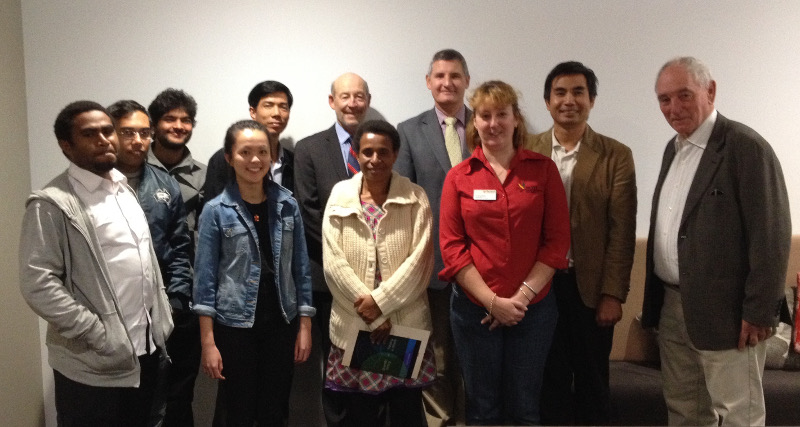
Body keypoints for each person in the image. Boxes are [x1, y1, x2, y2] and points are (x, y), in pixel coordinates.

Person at [641, 57, 791, 426]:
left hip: (730, 314)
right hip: (673, 308)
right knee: (685, 412)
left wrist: (758, 312)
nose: (673, 108)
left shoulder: (746, 147)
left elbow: (771, 237)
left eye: (684, 95)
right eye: (664, 99)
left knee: (739, 415)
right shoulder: (672, 149)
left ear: (710, 91)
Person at [19, 101, 174, 426]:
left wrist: (162, 319)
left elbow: (145, 262)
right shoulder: (52, 203)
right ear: (67, 145)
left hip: (143, 352)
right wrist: (97, 333)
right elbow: (38, 283)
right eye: (90, 134)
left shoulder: (123, 191)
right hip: (93, 361)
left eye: (107, 131)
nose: (104, 139)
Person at [439, 81, 570, 425]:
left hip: (534, 311)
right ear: (475, 123)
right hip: (473, 312)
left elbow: (557, 243)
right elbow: (453, 249)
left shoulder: (543, 170)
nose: (493, 123)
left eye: (502, 114)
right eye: (485, 115)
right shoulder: (458, 177)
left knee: (525, 406)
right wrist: (492, 301)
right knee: (482, 407)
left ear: (516, 120)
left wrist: (520, 300)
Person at [528, 61, 637, 426]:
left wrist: (613, 294)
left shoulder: (615, 155)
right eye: (560, 92)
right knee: (548, 380)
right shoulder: (527, 149)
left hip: (590, 290)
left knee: (593, 383)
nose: (569, 100)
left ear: (592, 100)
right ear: (547, 101)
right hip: (540, 288)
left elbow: (621, 231)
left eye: (578, 92)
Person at [193, 120, 314, 427]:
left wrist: (305, 326)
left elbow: (301, 270)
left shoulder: (288, 205)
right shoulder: (215, 211)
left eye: (262, 151)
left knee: (275, 411)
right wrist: (208, 343)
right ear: (229, 157)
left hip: (281, 324)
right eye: (245, 152)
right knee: (239, 413)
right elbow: (204, 281)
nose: (255, 159)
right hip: (234, 329)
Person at [322, 119, 435, 426]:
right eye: (367, 151)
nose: (375, 160)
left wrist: (381, 304)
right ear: (356, 154)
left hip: (405, 325)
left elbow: (420, 263)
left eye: (383, 152)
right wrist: (373, 314)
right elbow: (334, 263)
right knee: (358, 414)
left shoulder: (415, 197)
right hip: (354, 324)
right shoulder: (340, 195)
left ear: (395, 154)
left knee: (405, 413)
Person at [394, 48, 471, 427]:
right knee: (437, 360)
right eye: (439, 76)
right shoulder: (408, 131)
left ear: (466, 81)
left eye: (455, 75)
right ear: (428, 83)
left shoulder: (487, 124)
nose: (447, 83)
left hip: (484, 268)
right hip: (435, 268)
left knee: (476, 360)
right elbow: (405, 202)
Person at [107, 100, 194, 426]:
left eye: (144, 132)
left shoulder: (164, 184)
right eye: (127, 132)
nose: (137, 140)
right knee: (114, 408)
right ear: (110, 134)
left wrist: (176, 300)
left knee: (158, 404)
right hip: (110, 316)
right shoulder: (95, 185)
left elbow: (179, 247)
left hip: (158, 312)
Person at [293, 72, 371, 426]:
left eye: (359, 96)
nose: (352, 103)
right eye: (345, 96)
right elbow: (308, 211)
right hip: (328, 279)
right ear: (332, 101)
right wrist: (345, 263)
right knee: (337, 366)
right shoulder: (309, 149)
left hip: (375, 283)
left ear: (367, 101)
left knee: (371, 365)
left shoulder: (382, 146)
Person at [147, 88, 206, 425]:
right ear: (154, 124)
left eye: (186, 120)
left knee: (182, 387)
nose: (179, 125)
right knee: (145, 389)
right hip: (143, 294)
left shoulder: (203, 173)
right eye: (170, 118)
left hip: (189, 294)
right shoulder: (134, 170)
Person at [205, 80, 295, 200]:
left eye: (283, 107)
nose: (276, 113)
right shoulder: (224, 159)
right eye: (268, 105)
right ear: (253, 112)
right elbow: (213, 210)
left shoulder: (293, 161)